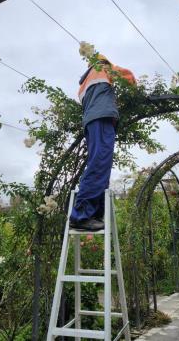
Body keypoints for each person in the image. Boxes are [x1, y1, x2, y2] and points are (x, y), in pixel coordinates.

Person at [70, 54, 136, 231]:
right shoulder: (103, 68)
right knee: (99, 163)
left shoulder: (84, 83)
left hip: (91, 122)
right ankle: (82, 215)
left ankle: (95, 212)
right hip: (102, 119)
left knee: (99, 162)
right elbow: (129, 78)